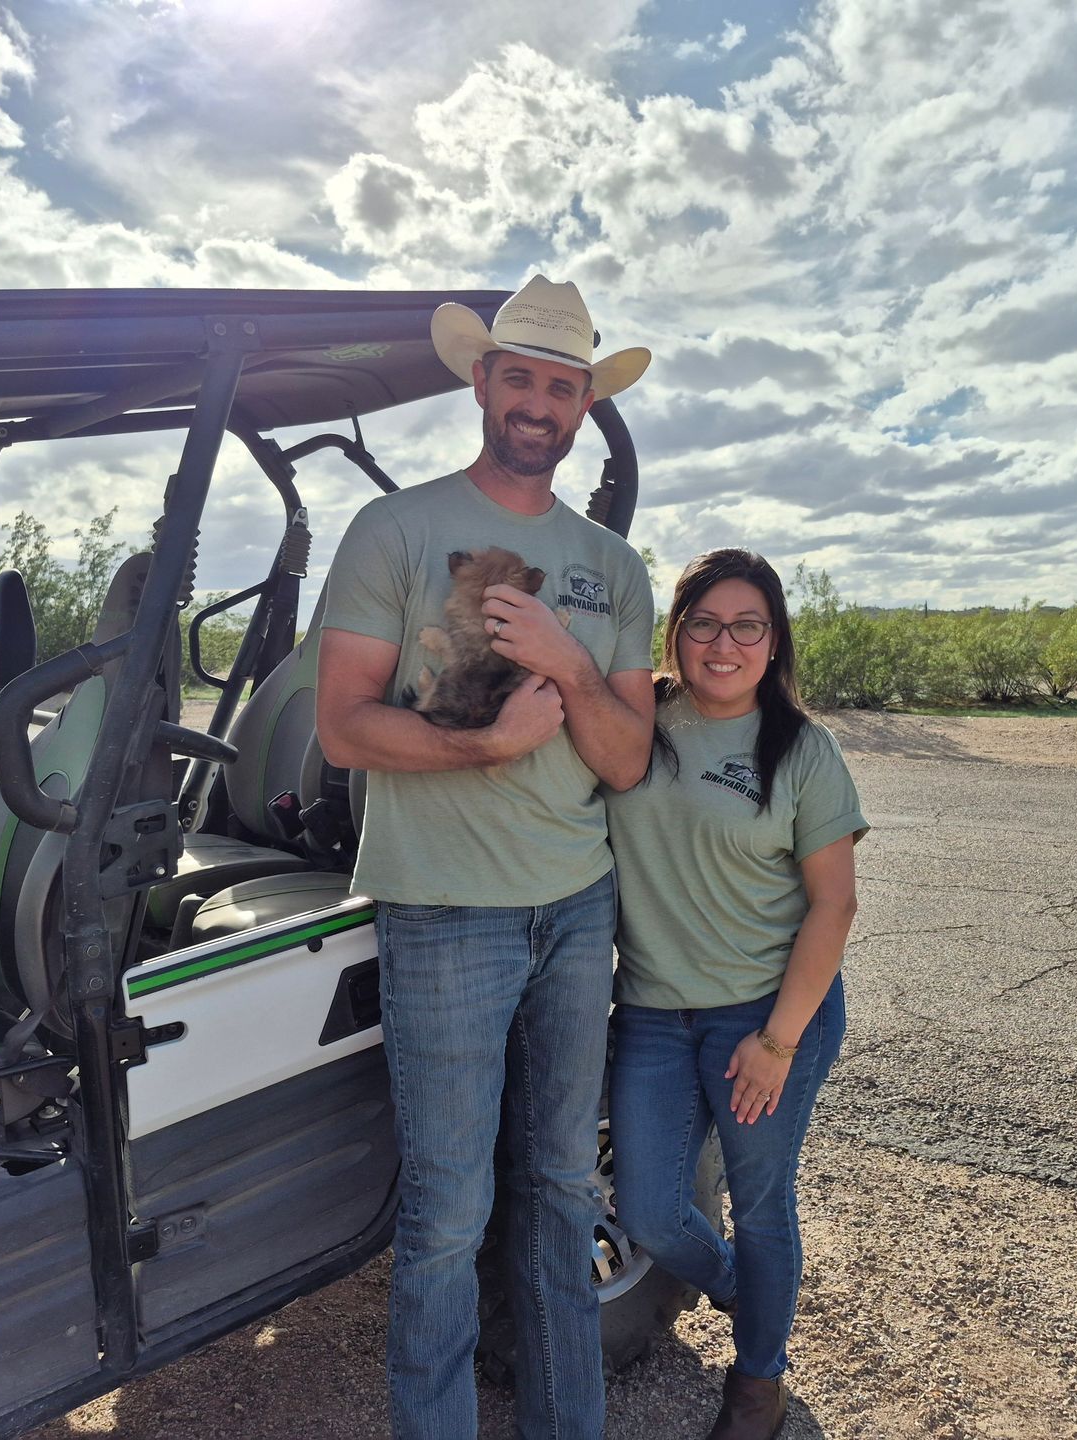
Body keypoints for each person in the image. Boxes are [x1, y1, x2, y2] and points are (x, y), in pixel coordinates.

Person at [316, 274, 656, 1439]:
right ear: (482, 382)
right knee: (448, 1217)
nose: (540, 403)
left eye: (563, 386)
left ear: (580, 407)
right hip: (442, 912)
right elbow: (343, 725)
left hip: (575, 910)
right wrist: (483, 744)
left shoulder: (612, 569)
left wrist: (565, 664)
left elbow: (622, 760)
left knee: (561, 1191)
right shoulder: (395, 531)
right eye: (520, 377)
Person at [603, 549, 866, 1440]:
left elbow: (835, 903)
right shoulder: (639, 718)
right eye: (704, 623)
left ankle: (759, 1381)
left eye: (747, 625)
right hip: (650, 1013)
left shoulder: (801, 748)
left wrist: (778, 1041)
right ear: (674, 633)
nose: (725, 643)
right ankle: (738, 1286)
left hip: (765, 1017)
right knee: (644, 1207)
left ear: (774, 639)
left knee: (760, 1203)